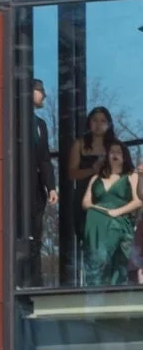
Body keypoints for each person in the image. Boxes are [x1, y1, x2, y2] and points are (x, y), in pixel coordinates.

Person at [66, 107, 120, 284]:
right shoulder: (80, 144)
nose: (98, 124)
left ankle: (111, 282)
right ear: (89, 123)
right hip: (85, 197)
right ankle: (92, 283)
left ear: (109, 124)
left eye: (103, 121)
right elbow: (72, 174)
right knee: (89, 241)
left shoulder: (116, 146)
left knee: (111, 240)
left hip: (109, 198)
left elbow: (125, 172)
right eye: (95, 120)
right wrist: (92, 170)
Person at [81, 139, 141, 286]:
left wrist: (115, 212)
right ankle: (95, 284)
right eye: (112, 151)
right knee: (95, 255)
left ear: (124, 156)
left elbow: (138, 201)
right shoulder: (96, 178)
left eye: (119, 152)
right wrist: (103, 211)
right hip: (96, 220)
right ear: (106, 155)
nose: (115, 154)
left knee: (109, 256)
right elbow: (86, 203)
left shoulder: (131, 176)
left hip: (119, 219)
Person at [28, 79, 58, 284]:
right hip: (16, 187)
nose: (44, 95)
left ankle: (35, 279)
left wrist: (51, 186)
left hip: (36, 190)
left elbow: (45, 158)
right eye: (41, 90)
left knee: (36, 234)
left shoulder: (40, 124)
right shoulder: (11, 119)